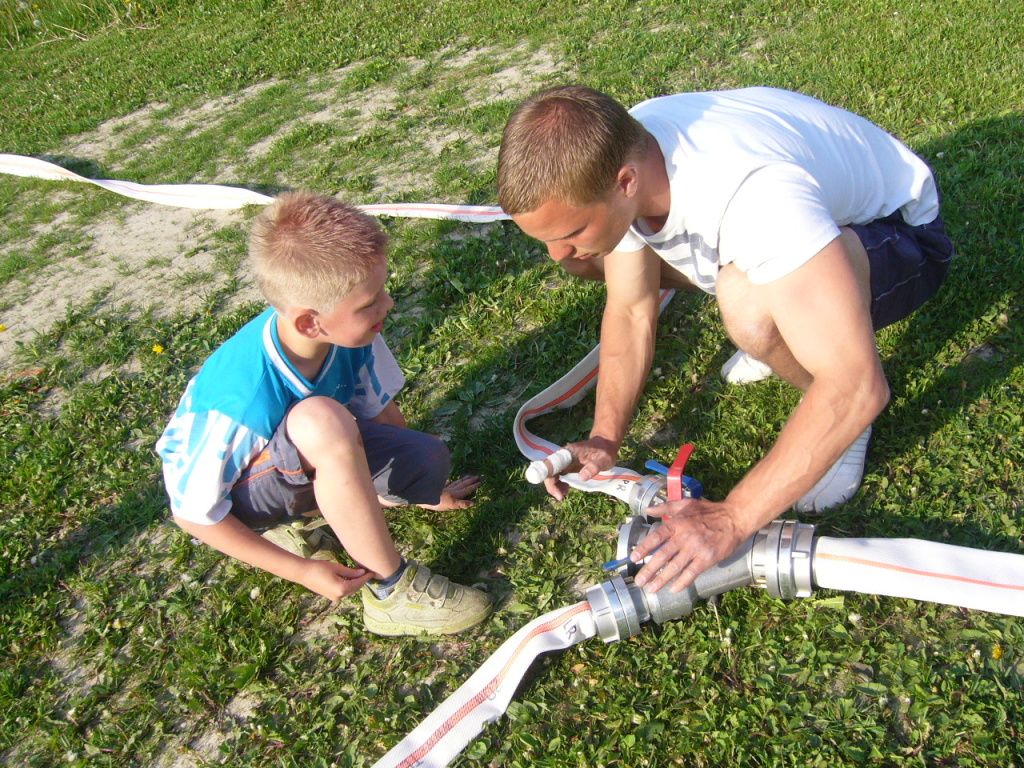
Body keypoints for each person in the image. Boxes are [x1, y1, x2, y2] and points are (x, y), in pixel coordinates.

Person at [497, 85, 953, 595]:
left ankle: (832, 405)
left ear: (625, 182)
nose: (558, 255)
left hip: (901, 236)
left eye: (572, 231)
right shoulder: (626, 151)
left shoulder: (755, 197)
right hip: (797, 218)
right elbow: (631, 309)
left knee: (748, 305)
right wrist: (605, 437)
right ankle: (794, 319)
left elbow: (857, 386)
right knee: (602, 264)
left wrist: (731, 519)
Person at [156, 191, 492, 636]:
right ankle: (391, 593)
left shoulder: (348, 332)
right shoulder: (241, 398)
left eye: (382, 290)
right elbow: (193, 514)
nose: (387, 304)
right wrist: (301, 571)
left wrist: (421, 489)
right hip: (240, 493)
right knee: (321, 421)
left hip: (303, 453)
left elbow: (380, 412)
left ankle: (335, 508)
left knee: (424, 458)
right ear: (309, 323)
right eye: (369, 303)